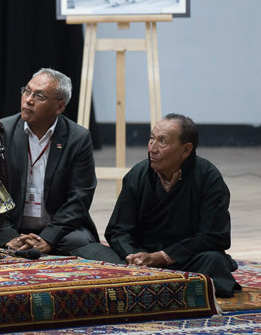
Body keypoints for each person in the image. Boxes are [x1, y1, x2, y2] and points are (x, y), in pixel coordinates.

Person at [75, 114, 241, 298]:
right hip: (141, 254)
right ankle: (164, 281)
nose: (152, 148)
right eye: (152, 138)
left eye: (162, 141)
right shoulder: (138, 174)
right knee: (87, 250)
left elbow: (214, 236)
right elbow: (117, 230)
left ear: (186, 150)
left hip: (184, 258)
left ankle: (147, 281)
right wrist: (135, 256)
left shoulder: (208, 178)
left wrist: (163, 257)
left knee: (214, 260)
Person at [0, 69, 99, 256]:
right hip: (13, 226)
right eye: (27, 91)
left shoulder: (78, 138)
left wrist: (50, 238)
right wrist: (8, 235)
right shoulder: (2, 131)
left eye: (40, 96)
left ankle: (33, 249)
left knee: (78, 241)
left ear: (60, 106)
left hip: (56, 229)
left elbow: (80, 197)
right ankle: (17, 245)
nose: (28, 100)